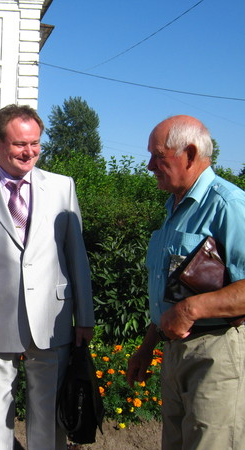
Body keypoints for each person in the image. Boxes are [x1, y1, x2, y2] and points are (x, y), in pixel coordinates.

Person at [0, 104, 95, 450]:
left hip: (52, 317)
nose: (29, 152)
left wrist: (84, 317)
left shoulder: (62, 188)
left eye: (35, 144)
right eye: (19, 144)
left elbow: (77, 257)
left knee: (48, 416)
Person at [127, 115, 245, 449]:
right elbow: (173, 290)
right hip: (176, 351)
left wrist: (192, 309)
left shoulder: (229, 205)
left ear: (190, 154)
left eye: (158, 156)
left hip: (216, 353)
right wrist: (148, 345)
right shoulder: (175, 206)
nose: (150, 165)